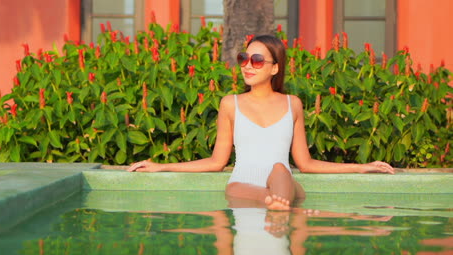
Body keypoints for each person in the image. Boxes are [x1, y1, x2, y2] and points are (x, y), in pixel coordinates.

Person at [127, 35, 395, 210]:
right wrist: (161, 167)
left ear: (275, 68)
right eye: (244, 59)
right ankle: (278, 206)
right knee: (235, 187)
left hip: (283, 183)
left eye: (256, 60)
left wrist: (361, 167)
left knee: (279, 168)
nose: (247, 66)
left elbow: (306, 164)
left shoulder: (293, 104)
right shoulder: (230, 104)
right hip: (244, 188)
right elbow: (216, 162)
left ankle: (277, 204)